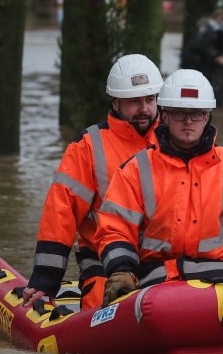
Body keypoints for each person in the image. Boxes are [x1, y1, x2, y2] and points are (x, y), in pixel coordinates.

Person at [96, 69, 223, 303]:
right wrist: (122, 271)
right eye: (180, 114)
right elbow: (116, 231)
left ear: (207, 117)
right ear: (164, 116)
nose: (188, 122)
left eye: (196, 114)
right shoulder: (135, 170)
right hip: (158, 283)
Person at [21, 54, 164, 311]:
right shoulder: (89, 145)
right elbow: (61, 213)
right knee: (100, 310)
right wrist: (46, 278)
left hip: (163, 262)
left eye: (150, 99)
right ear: (115, 102)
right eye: (134, 101)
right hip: (104, 262)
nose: (144, 108)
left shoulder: (174, 141)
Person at [181, 7, 223, 103]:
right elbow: (198, 47)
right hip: (203, 69)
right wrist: (216, 56)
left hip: (217, 74)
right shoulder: (205, 31)